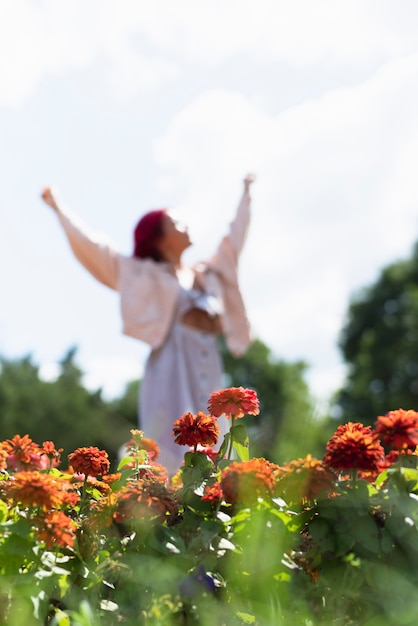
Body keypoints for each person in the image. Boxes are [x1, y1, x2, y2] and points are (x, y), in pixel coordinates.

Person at [41, 174, 255, 473]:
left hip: (208, 365)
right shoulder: (143, 276)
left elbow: (234, 241)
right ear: (160, 237)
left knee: (217, 440)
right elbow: (95, 249)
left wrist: (245, 195)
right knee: (172, 444)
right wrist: (59, 208)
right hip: (171, 367)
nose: (186, 227)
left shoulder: (207, 275)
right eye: (177, 224)